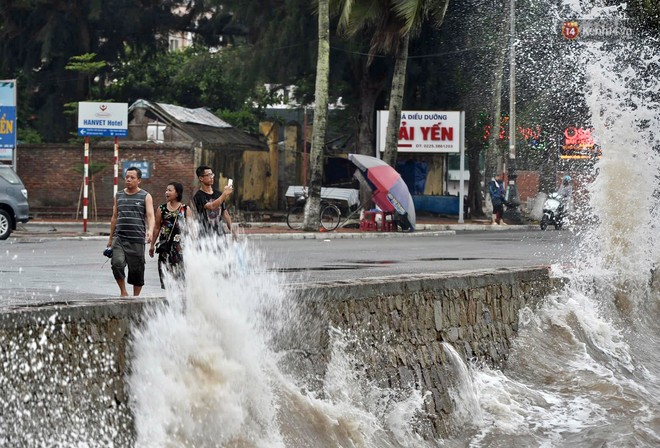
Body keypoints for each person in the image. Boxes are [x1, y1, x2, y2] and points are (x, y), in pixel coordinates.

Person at [106, 167, 155, 297]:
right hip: (119, 237)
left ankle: (135, 298)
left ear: (139, 180)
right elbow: (114, 216)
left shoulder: (145, 196)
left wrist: (150, 231)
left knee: (137, 270)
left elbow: (150, 216)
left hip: (137, 239)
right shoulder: (119, 195)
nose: (128, 179)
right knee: (116, 264)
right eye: (127, 177)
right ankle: (123, 291)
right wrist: (111, 238)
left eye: (132, 177)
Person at [149, 182, 192, 289]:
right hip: (165, 248)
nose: (166, 192)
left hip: (180, 249)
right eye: (166, 190)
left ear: (177, 193)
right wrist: (152, 245)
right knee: (166, 275)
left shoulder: (185, 209)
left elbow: (191, 229)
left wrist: (192, 245)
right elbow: (157, 227)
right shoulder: (161, 209)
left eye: (170, 190)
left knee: (180, 277)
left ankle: (180, 300)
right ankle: (169, 298)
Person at [193, 165, 234, 237]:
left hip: (220, 233)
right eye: (208, 175)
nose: (211, 177)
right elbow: (212, 206)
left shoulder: (218, 194)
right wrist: (224, 194)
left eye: (212, 174)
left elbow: (225, 213)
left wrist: (232, 230)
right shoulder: (198, 196)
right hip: (205, 235)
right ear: (201, 178)